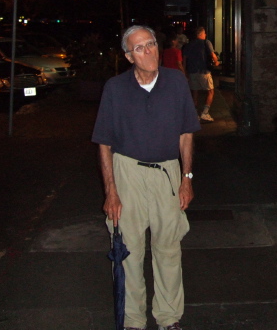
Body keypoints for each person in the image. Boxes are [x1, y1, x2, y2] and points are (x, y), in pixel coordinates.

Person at [92, 25, 200, 330]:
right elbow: (104, 142)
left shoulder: (176, 81)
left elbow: (186, 133)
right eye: (139, 48)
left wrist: (187, 177)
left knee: (168, 247)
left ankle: (168, 318)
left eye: (151, 44)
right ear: (129, 56)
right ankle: (132, 321)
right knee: (128, 251)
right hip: (127, 172)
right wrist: (110, 192)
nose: (148, 51)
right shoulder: (115, 88)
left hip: (167, 172)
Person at [182, 26, 219, 122]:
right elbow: (212, 54)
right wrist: (216, 62)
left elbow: (185, 59)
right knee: (210, 91)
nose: (205, 35)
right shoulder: (206, 42)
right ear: (201, 34)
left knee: (195, 92)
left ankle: (195, 114)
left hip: (192, 71)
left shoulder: (189, 45)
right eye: (204, 33)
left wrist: (185, 71)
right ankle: (205, 113)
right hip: (204, 71)